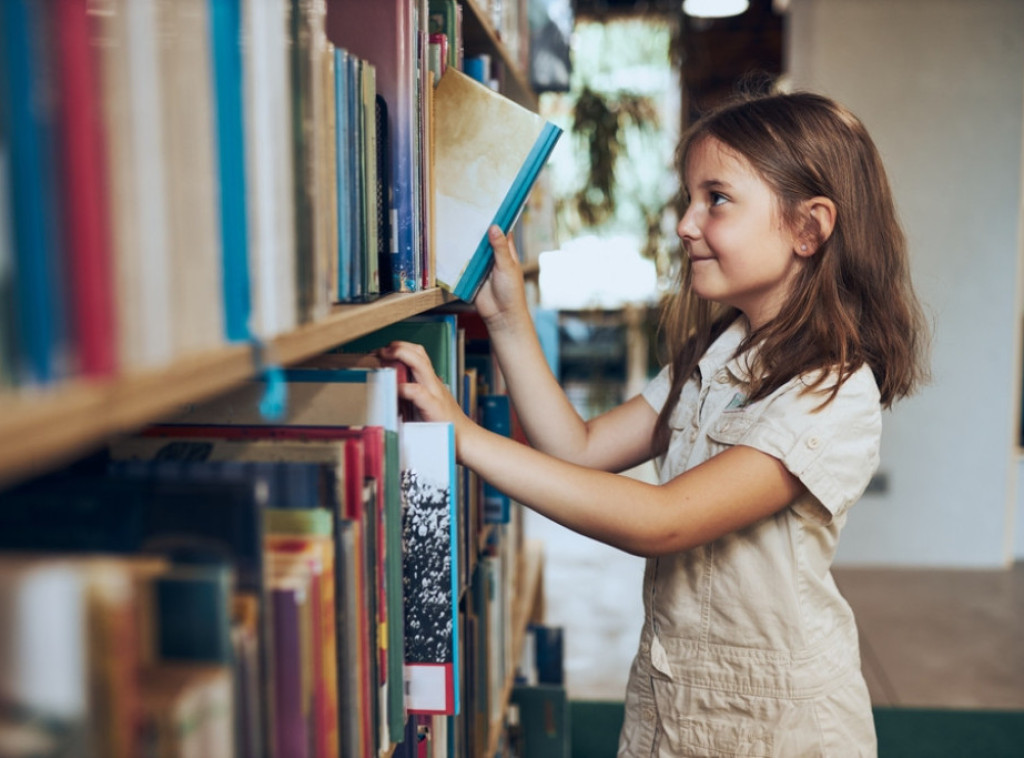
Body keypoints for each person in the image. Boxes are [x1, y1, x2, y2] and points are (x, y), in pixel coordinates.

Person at [380, 90, 929, 757]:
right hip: (672, 699)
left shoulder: (830, 391)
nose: (685, 224)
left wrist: (464, 437)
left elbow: (662, 521)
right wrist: (505, 320)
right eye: (688, 199)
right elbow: (580, 451)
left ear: (808, 229)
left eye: (716, 199)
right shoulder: (715, 354)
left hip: (777, 727)